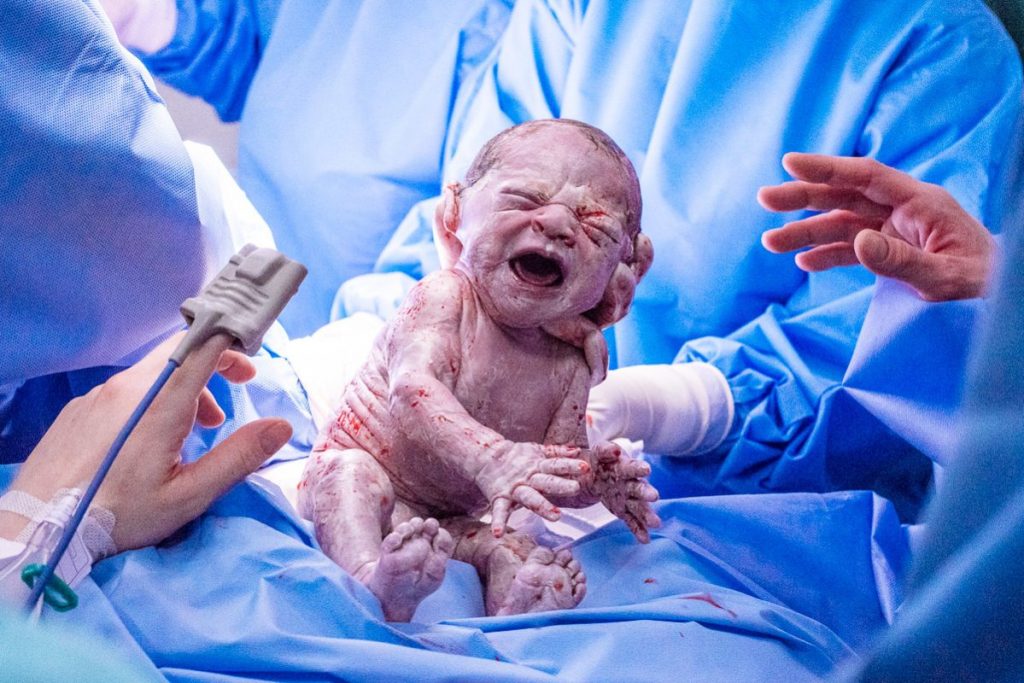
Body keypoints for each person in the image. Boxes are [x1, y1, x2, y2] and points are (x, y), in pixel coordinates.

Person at [423, 0, 1021, 512]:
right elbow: (477, 211)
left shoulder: (942, 49)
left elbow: (889, 346)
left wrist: (660, 407)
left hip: (767, 522)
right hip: (493, 443)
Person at [101, 0, 516, 337]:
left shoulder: (522, 30)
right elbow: (277, 66)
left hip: (379, 349)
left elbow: (480, 259)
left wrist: (343, 366)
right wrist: (155, 17)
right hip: (268, 303)